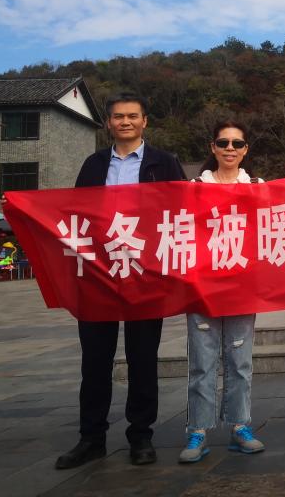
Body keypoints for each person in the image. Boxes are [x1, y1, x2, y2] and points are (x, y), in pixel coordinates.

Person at [56, 92, 187, 470]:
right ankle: (91, 438)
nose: (125, 122)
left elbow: (183, 210)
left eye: (132, 116)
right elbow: (74, 212)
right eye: (118, 116)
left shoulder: (164, 163)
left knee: (142, 358)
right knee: (95, 360)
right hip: (100, 273)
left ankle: (141, 435)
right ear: (108, 122)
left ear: (145, 121)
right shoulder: (94, 164)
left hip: (146, 274)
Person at [179, 121, 265, 464]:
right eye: (223, 142)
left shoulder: (258, 187)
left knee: (239, 362)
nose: (230, 148)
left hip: (243, 287)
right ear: (213, 147)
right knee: (202, 363)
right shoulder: (193, 187)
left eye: (237, 143)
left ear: (246, 150)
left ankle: (240, 425)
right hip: (203, 287)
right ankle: (198, 430)